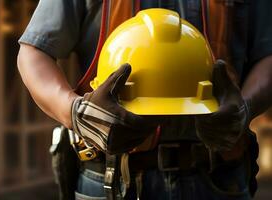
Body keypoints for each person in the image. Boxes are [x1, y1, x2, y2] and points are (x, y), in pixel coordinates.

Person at [17, 0, 272, 199]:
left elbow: (268, 55)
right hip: (111, 180)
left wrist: (245, 108)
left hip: (219, 176)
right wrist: (74, 112)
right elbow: (34, 52)